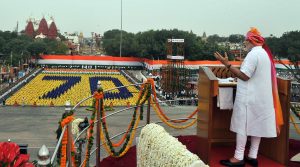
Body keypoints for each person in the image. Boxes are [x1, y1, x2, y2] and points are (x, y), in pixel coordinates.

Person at [214, 27, 283, 167]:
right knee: (257, 126)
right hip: (261, 99)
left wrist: (227, 64)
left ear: (251, 40)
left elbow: (244, 76)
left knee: (242, 127)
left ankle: (238, 157)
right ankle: (252, 156)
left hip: (248, 99)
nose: (244, 43)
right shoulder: (264, 54)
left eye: (246, 41)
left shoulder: (253, 55)